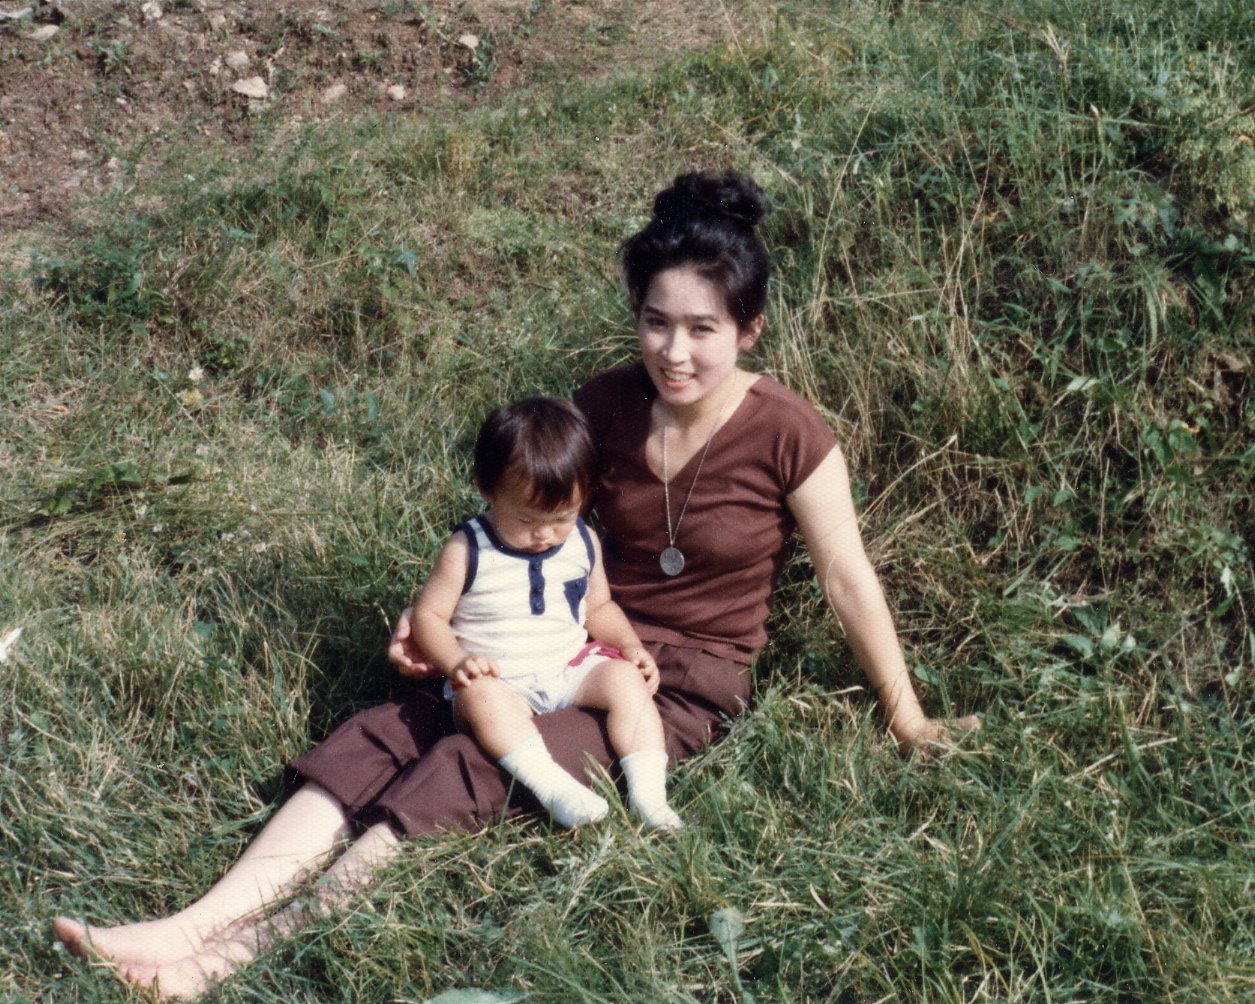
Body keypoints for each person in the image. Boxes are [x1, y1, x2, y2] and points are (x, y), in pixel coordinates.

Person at [52, 168, 978, 1001]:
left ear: (748, 329)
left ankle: (226, 960)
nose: (676, 351)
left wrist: (905, 717)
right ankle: (187, 924)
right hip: (551, 638)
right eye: (656, 322)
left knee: (472, 757)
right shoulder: (602, 403)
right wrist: (436, 629)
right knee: (382, 728)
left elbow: (848, 579)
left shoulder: (790, 433)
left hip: (673, 680)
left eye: (704, 328)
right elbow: (523, 528)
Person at [411, 395, 681, 831]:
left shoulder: (580, 540)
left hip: (567, 667)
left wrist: (629, 646)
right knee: (482, 697)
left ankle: (650, 796)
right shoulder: (467, 548)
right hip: (501, 679)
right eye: (526, 519)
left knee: (626, 681)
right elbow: (430, 618)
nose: (544, 535)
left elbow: (599, 606)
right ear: (487, 489)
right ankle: (554, 788)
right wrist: (457, 663)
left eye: (561, 517)